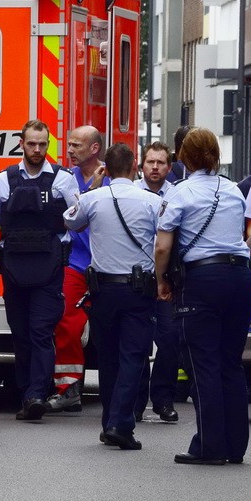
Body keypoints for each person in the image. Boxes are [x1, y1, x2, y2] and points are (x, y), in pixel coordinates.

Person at [154, 128, 251, 465]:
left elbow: (163, 245)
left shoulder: (181, 193)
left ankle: (210, 447)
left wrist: (161, 281)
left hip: (203, 280)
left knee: (203, 365)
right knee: (231, 363)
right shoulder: (234, 191)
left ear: (185, 155)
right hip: (240, 277)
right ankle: (235, 445)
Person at [0, 120, 78, 421]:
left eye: (43, 144)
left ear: (48, 144)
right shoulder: (4, 180)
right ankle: (26, 393)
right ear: (22, 143)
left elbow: (79, 219)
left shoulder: (63, 180)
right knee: (20, 334)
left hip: (49, 270)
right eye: (32, 143)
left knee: (41, 332)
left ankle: (35, 395)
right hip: (15, 271)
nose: (37, 149)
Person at [64, 143, 157, 451]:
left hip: (103, 290)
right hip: (138, 288)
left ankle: (110, 422)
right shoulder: (152, 201)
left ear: (107, 169)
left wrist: (90, 187)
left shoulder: (93, 199)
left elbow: (70, 220)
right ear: (134, 168)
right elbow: (165, 237)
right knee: (133, 356)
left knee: (108, 358)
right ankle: (121, 423)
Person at [47, 125, 106, 413]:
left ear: (94, 148)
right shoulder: (65, 180)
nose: (70, 150)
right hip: (77, 262)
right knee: (66, 324)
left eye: (76, 145)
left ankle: (116, 390)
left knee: (111, 328)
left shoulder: (111, 178)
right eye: (69, 145)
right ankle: (68, 388)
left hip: (107, 265)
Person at [135, 141, 180, 424]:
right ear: (141, 165)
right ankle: (137, 401)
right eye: (150, 162)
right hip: (138, 277)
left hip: (166, 278)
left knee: (170, 339)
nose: (155, 167)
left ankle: (163, 400)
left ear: (169, 167)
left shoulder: (178, 195)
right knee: (137, 341)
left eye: (160, 163)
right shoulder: (131, 193)